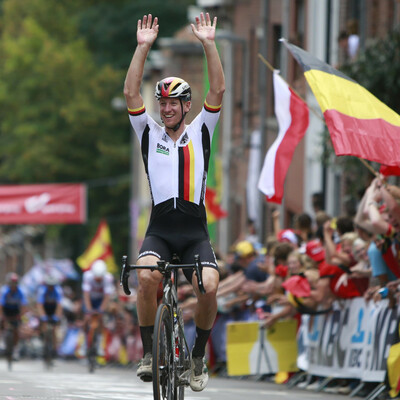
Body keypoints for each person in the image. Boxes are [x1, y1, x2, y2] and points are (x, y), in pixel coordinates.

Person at [123, 12, 225, 392]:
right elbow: (132, 93)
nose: (165, 109)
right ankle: (150, 353)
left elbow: (217, 90)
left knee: (210, 286)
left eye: (172, 104)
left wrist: (209, 44)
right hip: (161, 230)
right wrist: (142, 48)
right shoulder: (148, 130)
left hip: (194, 230)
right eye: (162, 103)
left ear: (185, 106)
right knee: (147, 276)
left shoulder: (201, 129)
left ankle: (197, 358)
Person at [0, 272, 28, 360]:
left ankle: (15, 348)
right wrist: (1, 316)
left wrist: (22, 317)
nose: (13, 286)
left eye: (15, 284)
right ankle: (2, 341)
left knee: (17, 329)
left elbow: (23, 306)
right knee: (2, 323)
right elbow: (1, 305)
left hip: (15, 311)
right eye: (11, 283)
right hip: (6, 310)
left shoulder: (21, 291)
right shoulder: (4, 291)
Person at [36, 274, 63, 356]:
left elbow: (59, 305)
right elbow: (40, 305)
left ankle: (54, 349)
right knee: (44, 325)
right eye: (49, 285)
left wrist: (57, 316)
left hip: (53, 308)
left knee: (54, 329)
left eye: (53, 286)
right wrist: (43, 316)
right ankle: (44, 339)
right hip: (45, 308)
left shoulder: (58, 290)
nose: (51, 287)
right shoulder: (42, 290)